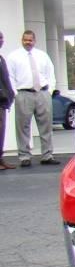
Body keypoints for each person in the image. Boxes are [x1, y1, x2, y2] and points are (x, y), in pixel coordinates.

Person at [6, 30, 59, 167]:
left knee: (46, 125)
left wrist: (50, 90)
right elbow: (10, 77)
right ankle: (24, 157)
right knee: (23, 126)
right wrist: (15, 94)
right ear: (21, 40)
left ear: (34, 41)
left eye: (30, 40)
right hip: (23, 93)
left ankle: (47, 155)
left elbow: (50, 73)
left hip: (42, 93)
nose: (28, 42)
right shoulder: (13, 57)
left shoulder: (42, 56)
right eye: (25, 40)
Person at [0, 31, 17, 169]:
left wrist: (10, 94)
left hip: (3, 102)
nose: (1, 40)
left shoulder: (1, 59)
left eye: (1, 38)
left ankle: (0, 159)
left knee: (2, 130)